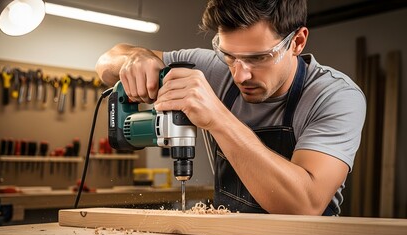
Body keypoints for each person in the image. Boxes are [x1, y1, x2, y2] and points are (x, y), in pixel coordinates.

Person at [95, 0, 366, 216]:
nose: (239, 75)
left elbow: (305, 204)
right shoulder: (213, 68)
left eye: (259, 58)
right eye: (229, 56)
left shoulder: (335, 96)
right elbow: (106, 63)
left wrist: (218, 118)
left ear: (297, 42)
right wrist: (136, 57)